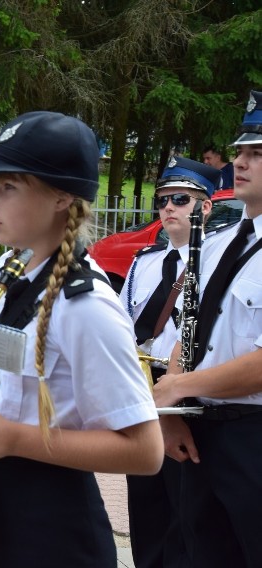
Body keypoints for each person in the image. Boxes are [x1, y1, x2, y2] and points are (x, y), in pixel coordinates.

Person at [0, 111, 163, 567]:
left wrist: (11, 438)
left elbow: (146, 452)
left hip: (51, 534)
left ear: (61, 196)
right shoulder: (18, 276)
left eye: (7, 187)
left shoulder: (87, 305)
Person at [153, 89, 262, 567]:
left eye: (257, 154)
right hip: (201, 435)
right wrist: (173, 409)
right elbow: (190, 327)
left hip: (254, 437)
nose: (240, 162)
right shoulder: (218, 242)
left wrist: (177, 386)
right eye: (240, 151)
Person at [121, 157, 219, 568]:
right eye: (162, 200)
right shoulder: (143, 261)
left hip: (186, 386)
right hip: (142, 379)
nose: (168, 208)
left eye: (181, 199)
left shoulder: (214, 259)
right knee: (145, 503)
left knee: (186, 509)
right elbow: (124, 325)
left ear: (206, 207)